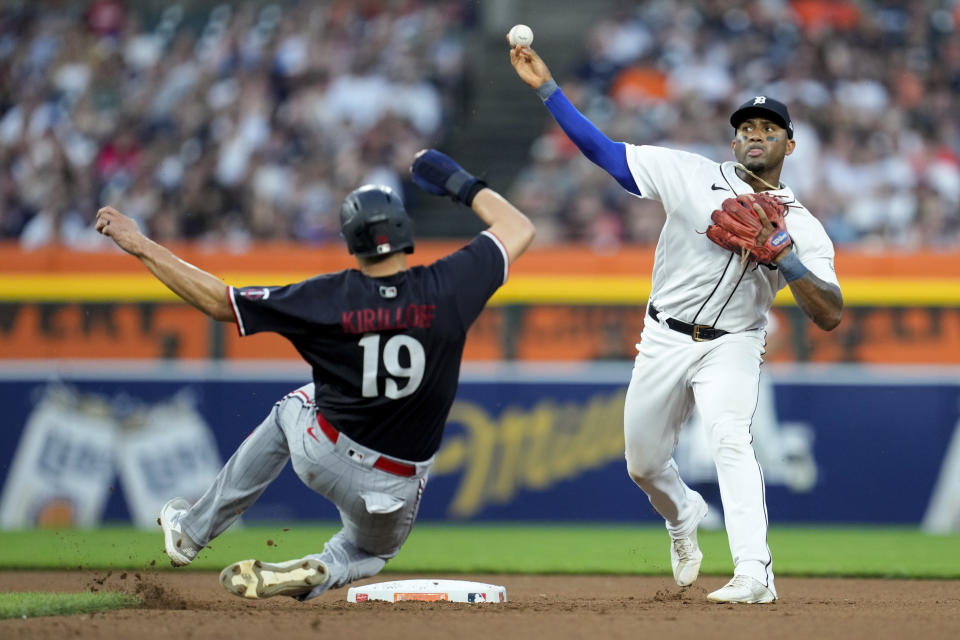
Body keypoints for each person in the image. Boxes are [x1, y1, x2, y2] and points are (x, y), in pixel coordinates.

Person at [95, 149, 535, 601]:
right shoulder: (449, 285)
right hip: (396, 486)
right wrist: (455, 179)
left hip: (323, 453)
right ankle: (328, 567)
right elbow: (520, 228)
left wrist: (142, 245)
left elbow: (218, 302)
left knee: (294, 405)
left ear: (351, 241)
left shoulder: (328, 297)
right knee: (370, 551)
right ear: (405, 232)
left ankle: (192, 532)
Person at [509, 42, 842, 604]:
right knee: (641, 464)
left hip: (734, 342)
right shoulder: (688, 173)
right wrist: (548, 89)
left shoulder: (804, 227)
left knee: (731, 439)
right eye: (746, 127)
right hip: (663, 334)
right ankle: (684, 513)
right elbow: (605, 152)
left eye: (768, 127)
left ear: (789, 142)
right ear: (733, 140)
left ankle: (755, 574)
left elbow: (830, 313)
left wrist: (786, 256)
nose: (755, 134)